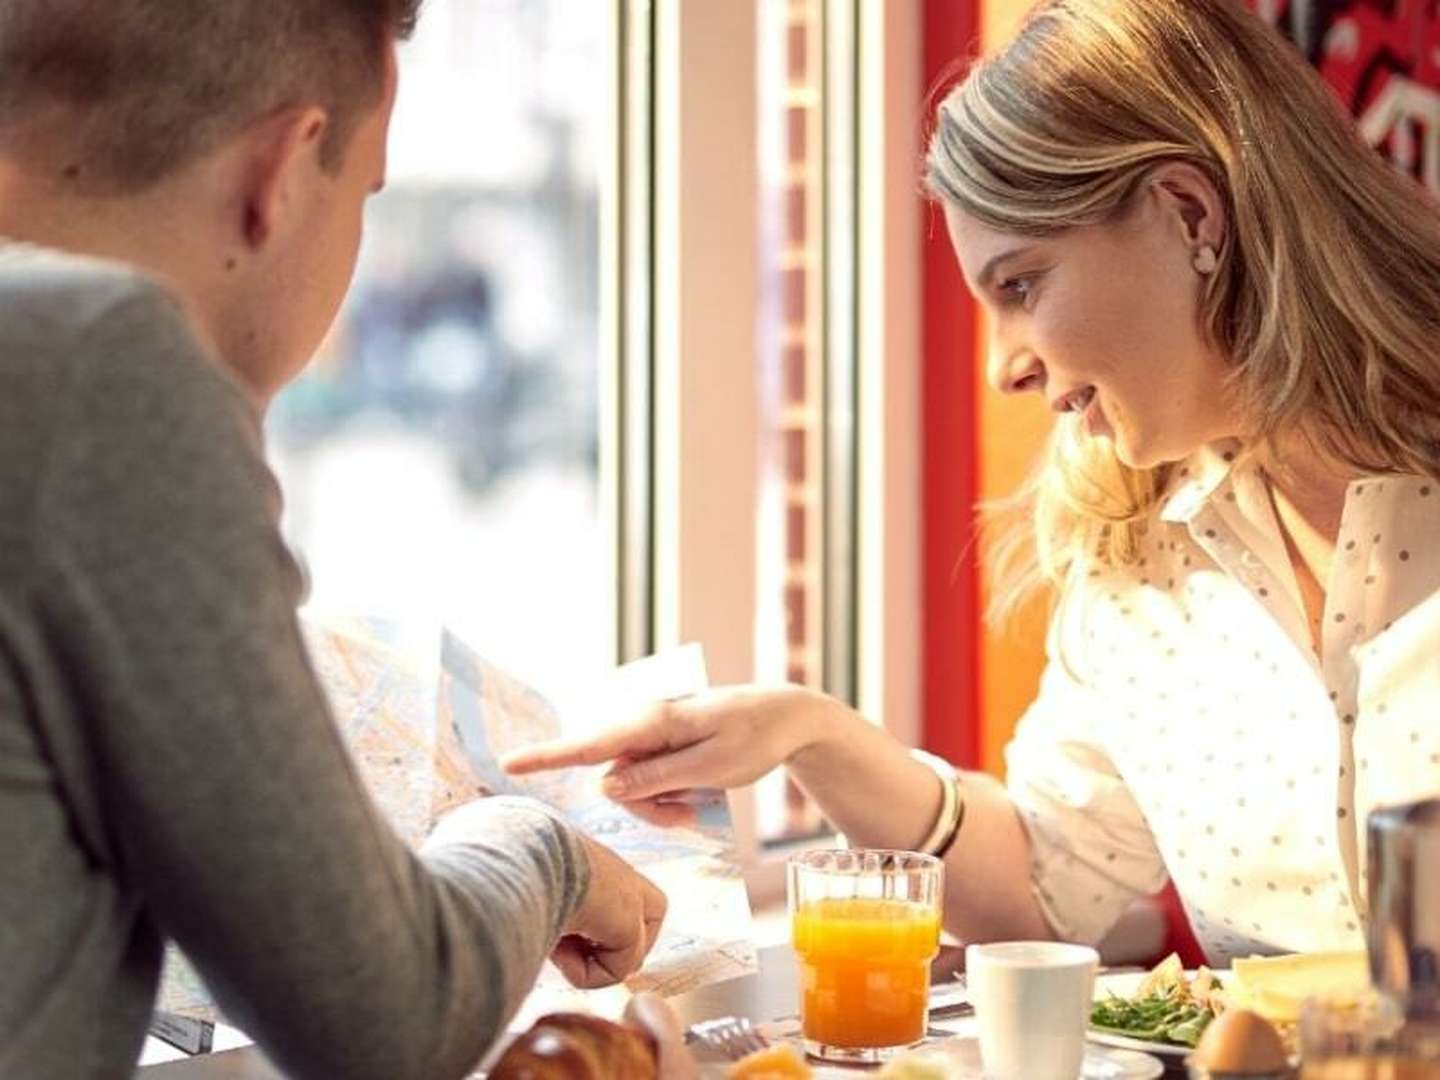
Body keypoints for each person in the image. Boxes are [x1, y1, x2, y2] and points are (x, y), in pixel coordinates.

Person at [507, 0, 1440, 965]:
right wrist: (806, 734)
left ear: (1189, 214)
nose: (1005, 368)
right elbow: (1044, 891)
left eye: (1022, 286)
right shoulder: (1137, 559)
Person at [0, 3, 669, 1079]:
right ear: (283, 167)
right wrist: (538, 845)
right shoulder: (99, 367)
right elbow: (386, 1014)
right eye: (365, 195)